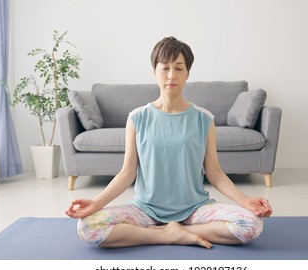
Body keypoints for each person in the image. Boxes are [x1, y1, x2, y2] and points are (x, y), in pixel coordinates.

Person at [65, 36, 272, 249]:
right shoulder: (137, 118)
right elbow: (127, 173)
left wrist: (246, 201)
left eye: (179, 68)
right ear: (155, 71)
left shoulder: (204, 119)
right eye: (165, 68)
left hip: (195, 209)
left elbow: (215, 173)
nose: (171, 75)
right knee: (88, 226)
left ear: (188, 73)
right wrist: (96, 204)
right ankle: (166, 235)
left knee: (251, 224)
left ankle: (178, 231)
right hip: (145, 209)